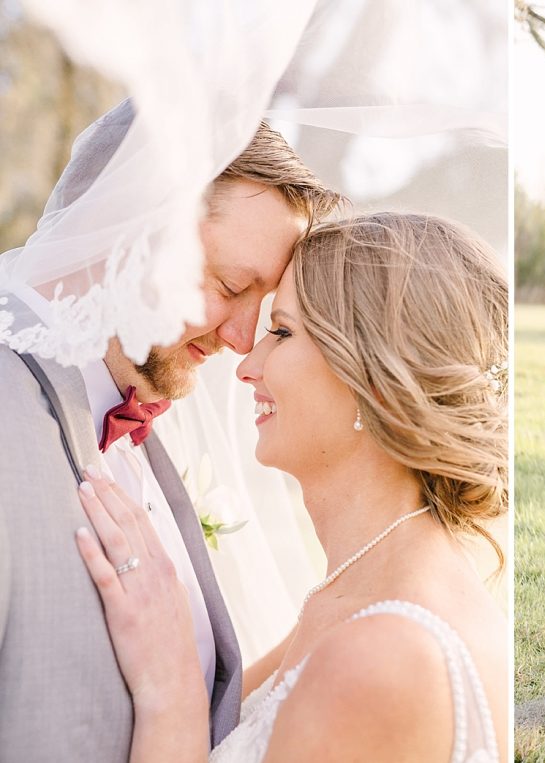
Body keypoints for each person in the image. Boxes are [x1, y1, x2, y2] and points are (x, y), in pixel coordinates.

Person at [74, 212, 509, 761]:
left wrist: (170, 690)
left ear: (371, 376)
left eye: (280, 333)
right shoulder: (350, 596)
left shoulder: (382, 657)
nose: (246, 367)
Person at [0, 102, 340, 759]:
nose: (242, 339)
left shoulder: (145, 429)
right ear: (125, 225)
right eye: (228, 284)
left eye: (261, 305)